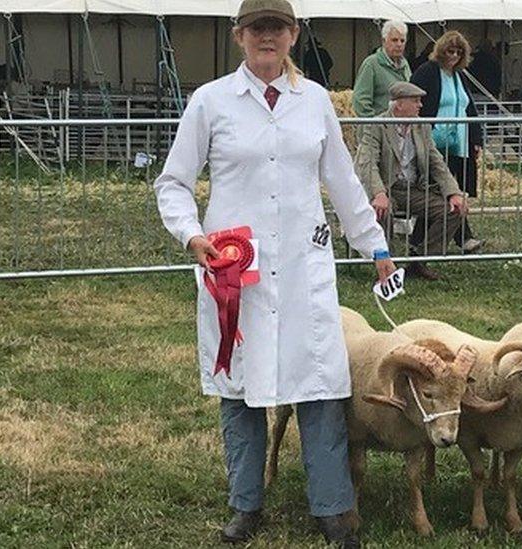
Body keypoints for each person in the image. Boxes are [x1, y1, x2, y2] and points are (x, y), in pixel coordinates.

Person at [153, 0, 396, 545]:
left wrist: (375, 246)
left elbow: (342, 180)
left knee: (318, 387)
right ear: (239, 36)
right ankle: (245, 503)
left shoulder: (314, 103)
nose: (268, 38)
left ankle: (333, 507)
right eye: (257, 28)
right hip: (235, 277)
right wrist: (193, 235)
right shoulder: (210, 102)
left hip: (302, 269)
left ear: (293, 36)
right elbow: (172, 182)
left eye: (278, 28)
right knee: (239, 390)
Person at [355, 82, 470, 280]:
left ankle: (420, 260)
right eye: (415, 101)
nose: (420, 106)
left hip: (413, 188)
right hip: (387, 186)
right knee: (383, 212)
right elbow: (368, 162)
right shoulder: (377, 125)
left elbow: (436, 162)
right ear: (398, 105)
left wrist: (454, 193)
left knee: (452, 211)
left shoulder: (422, 125)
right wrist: (379, 193)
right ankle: (385, 266)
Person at [411, 30, 484, 253]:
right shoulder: (428, 71)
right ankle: (463, 238)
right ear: (441, 51)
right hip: (434, 142)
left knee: (452, 190)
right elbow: (415, 99)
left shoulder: (460, 76)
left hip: (459, 142)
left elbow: (469, 108)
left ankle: (418, 240)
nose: (454, 55)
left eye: (458, 52)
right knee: (439, 191)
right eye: (450, 51)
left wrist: (476, 138)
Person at [352, 20, 411, 117]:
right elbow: (360, 101)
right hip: (380, 127)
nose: (399, 44)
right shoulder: (371, 64)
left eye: (402, 40)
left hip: (401, 126)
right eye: (394, 40)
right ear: (384, 41)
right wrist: (374, 124)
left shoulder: (405, 65)